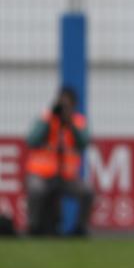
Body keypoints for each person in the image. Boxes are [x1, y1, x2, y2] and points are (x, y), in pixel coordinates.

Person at [25, 87, 94, 236]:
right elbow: (32, 140)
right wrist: (51, 116)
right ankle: (34, 227)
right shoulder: (46, 118)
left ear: (73, 105)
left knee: (87, 191)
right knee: (36, 190)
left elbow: (83, 142)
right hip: (42, 174)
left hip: (65, 178)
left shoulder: (78, 122)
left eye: (67, 105)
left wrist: (70, 123)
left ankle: (80, 229)